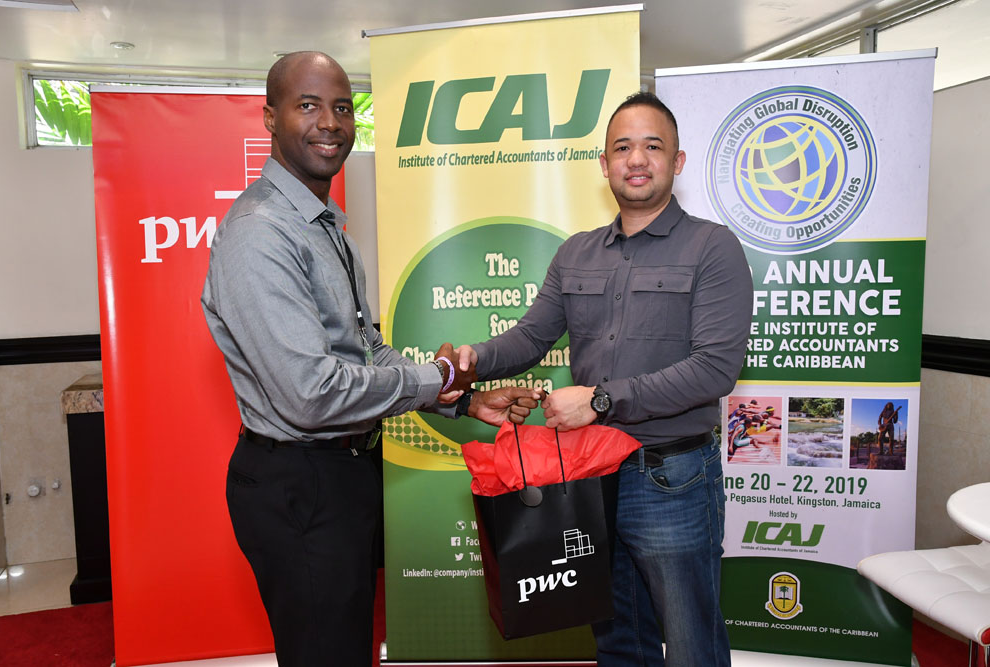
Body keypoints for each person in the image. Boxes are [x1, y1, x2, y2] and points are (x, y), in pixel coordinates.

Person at [201, 51, 539, 667]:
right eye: (308, 105)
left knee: (345, 647)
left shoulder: (327, 228)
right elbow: (310, 393)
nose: (330, 122)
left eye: (342, 107)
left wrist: (460, 398)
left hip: (343, 473)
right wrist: (437, 375)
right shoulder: (260, 232)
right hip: (299, 484)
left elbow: (369, 350)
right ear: (271, 117)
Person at [453, 92, 753, 666]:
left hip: (671, 477)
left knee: (690, 641)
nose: (636, 159)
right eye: (622, 147)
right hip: (591, 479)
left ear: (677, 161)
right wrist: (476, 358)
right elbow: (531, 337)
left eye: (652, 146)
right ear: (604, 163)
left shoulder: (713, 248)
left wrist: (600, 400)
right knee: (616, 636)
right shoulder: (576, 253)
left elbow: (715, 368)